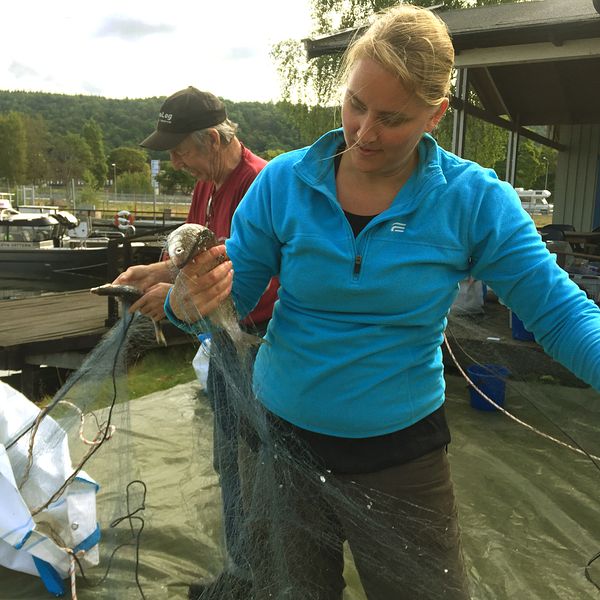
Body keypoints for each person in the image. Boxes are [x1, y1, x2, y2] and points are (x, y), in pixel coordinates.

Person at [164, 5, 600, 600]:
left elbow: (559, 312)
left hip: (402, 461)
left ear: (435, 115)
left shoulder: (474, 200)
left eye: (393, 118)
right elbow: (228, 297)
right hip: (284, 447)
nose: (365, 133)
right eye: (356, 105)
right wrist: (187, 303)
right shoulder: (285, 183)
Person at [113, 86, 278, 600]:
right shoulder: (208, 184)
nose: (176, 161)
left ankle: (264, 577)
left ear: (212, 138)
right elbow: (197, 258)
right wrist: (155, 270)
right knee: (228, 456)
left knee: (259, 464)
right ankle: (242, 572)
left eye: (180, 149)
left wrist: (173, 294)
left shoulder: (261, 183)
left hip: (259, 342)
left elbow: (236, 270)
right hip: (225, 341)